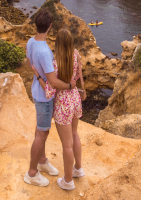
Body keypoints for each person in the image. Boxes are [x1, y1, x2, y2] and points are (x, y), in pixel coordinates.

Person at [24, 9, 76, 188]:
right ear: (50, 27)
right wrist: (70, 86)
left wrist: (38, 76)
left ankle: (42, 161)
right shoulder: (45, 51)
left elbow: (29, 61)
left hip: (37, 93)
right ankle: (32, 172)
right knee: (42, 133)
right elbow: (53, 82)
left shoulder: (31, 42)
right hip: (44, 99)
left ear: (36, 25)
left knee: (40, 130)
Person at [32, 28, 85, 191]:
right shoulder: (76, 55)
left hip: (63, 104)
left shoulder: (55, 63)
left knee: (66, 145)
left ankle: (68, 181)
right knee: (75, 135)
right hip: (75, 99)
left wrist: (38, 76)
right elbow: (78, 76)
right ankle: (78, 169)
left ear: (58, 45)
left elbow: (50, 89)